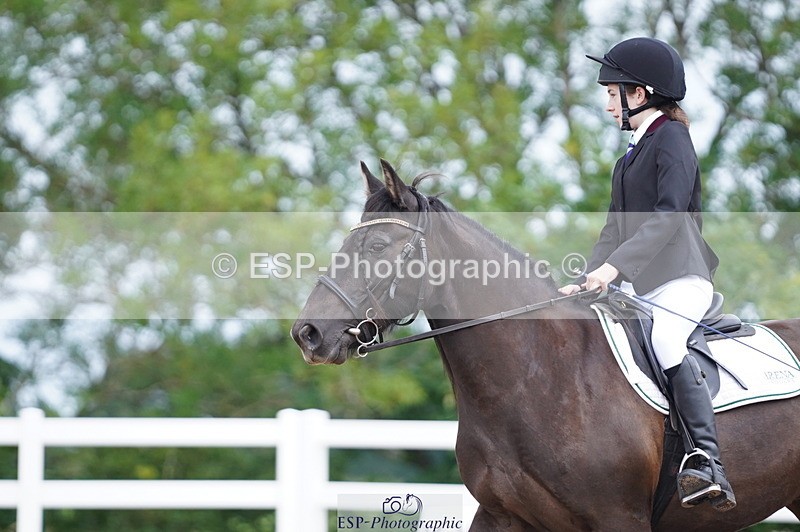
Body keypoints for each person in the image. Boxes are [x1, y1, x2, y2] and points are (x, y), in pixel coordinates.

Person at [559, 37, 736, 511]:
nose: (607, 103)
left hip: (681, 280)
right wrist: (589, 278)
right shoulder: (627, 159)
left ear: (639, 93)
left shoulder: (673, 138)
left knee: (666, 342)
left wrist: (615, 268)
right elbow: (612, 230)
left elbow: (669, 215)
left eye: (611, 93)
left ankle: (707, 460)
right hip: (640, 287)